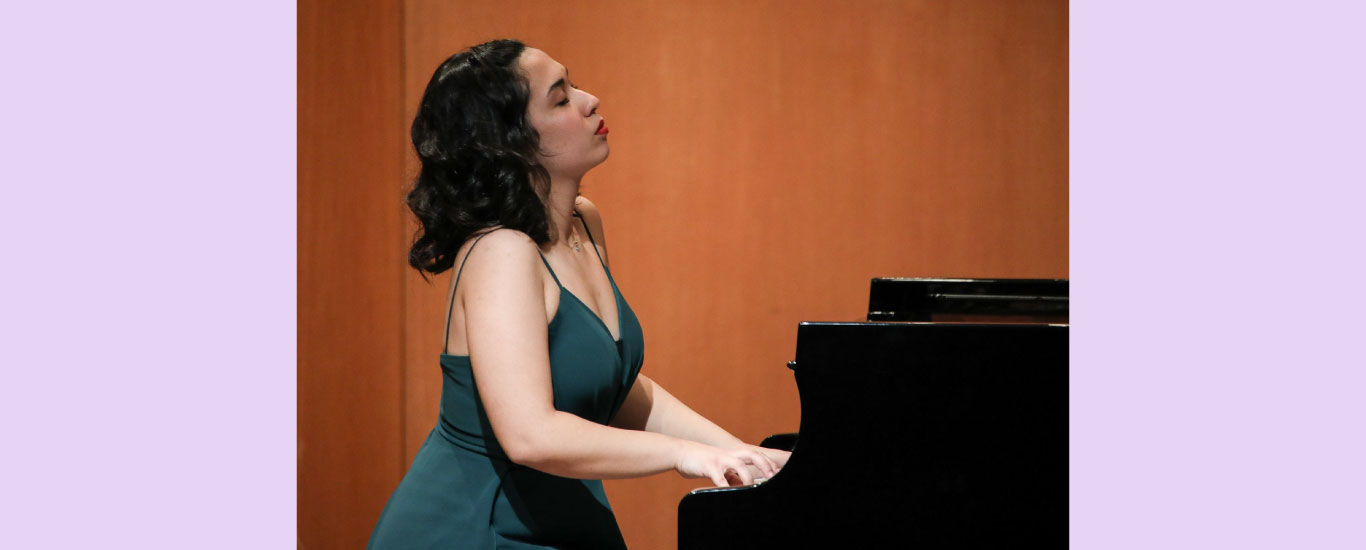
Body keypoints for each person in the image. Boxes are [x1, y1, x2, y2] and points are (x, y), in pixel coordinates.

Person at [367, 39, 790, 549]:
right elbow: (531, 436)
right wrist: (683, 454)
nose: (590, 100)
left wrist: (746, 455)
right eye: (561, 98)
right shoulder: (502, 251)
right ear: (511, 142)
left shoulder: (583, 222)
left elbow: (615, 386)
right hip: (481, 525)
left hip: (557, 512)